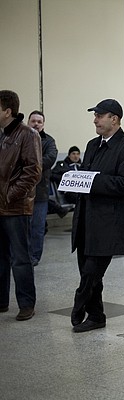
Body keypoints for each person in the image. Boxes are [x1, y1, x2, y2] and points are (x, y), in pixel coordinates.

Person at [70, 99, 124, 333]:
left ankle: (79, 301)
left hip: (108, 222)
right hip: (85, 217)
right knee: (86, 267)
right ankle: (96, 315)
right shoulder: (92, 144)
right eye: (94, 115)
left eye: (99, 115)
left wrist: (91, 179)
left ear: (114, 118)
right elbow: (85, 175)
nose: (95, 119)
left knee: (92, 271)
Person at [0, 90, 42, 321]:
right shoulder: (1, 134)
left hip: (15, 207)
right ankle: (2, 301)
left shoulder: (28, 134)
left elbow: (32, 172)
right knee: (1, 258)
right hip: (1, 205)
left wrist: (9, 196)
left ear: (8, 111)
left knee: (20, 258)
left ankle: (26, 304)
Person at [27, 111, 58, 266]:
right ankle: (18, 255)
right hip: (20, 193)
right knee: (20, 227)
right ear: (28, 122)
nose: (36, 124)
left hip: (40, 193)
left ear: (43, 124)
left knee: (37, 227)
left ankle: (34, 257)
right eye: (33, 121)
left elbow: (49, 159)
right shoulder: (19, 139)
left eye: (39, 121)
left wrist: (28, 165)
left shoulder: (49, 142)